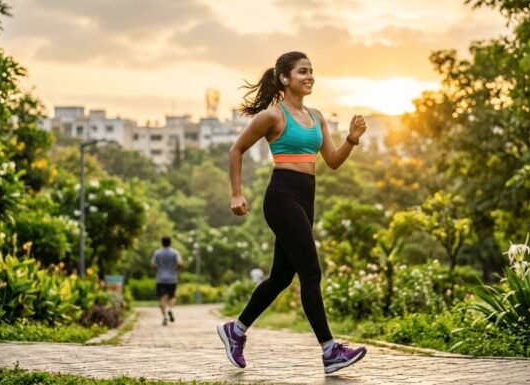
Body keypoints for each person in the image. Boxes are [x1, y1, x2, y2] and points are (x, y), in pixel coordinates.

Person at [217, 51, 368, 374]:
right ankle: (330, 351)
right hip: (282, 196)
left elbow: (333, 160)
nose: (310, 76)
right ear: (285, 78)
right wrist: (236, 193)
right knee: (311, 273)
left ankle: (236, 330)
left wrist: (352, 140)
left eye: (312, 70)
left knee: (282, 277)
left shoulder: (317, 116)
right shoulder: (274, 115)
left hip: (305, 197)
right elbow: (237, 149)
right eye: (303, 71)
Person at [151, 236, 183, 326]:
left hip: (160, 278)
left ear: (162, 242)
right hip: (172, 278)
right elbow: (180, 263)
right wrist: (175, 269)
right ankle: (170, 309)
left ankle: (164, 317)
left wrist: (159, 268)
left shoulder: (157, 253)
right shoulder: (175, 252)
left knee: (162, 298)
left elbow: (153, 265)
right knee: (172, 297)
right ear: (170, 242)